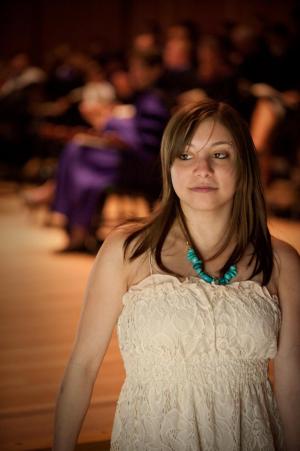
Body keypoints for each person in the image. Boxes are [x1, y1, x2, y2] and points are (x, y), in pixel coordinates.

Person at [53, 100, 300, 450]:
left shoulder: (281, 261)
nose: (202, 169)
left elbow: (293, 384)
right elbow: (82, 366)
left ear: (244, 164)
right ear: (169, 166)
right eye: (185, 156)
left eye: (219, 155)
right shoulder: (127, 250)